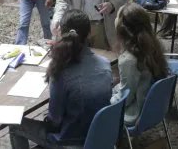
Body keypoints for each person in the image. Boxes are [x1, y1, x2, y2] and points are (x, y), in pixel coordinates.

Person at [8, 9, 113, 148]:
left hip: (70, 142)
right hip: (98, 135)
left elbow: (54, 122)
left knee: (15, 125)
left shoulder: (61, 72)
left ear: (60, 33)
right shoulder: (105, 64)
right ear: (89, 34)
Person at [111, 3, 168, 125]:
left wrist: (109, 97)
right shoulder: (152, 46)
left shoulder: (128, 60)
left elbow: (124, 99)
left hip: (134, 112)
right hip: (152, 108)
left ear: (123, 27)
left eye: (117, 16)